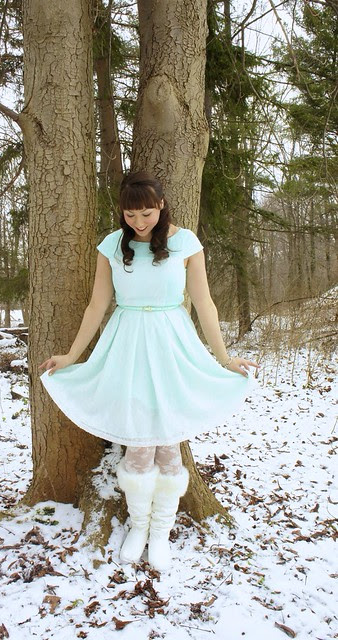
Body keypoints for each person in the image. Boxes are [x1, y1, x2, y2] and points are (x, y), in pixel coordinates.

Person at [38, 171, 259, 572]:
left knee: (169, 443)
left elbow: (204, 303)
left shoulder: (185, 243)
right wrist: (71, 355)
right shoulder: (111, 246)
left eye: (146, 213)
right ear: (121, 212)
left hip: (171, 344)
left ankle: (161, 532)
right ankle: (139, 526)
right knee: (139, 443)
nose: (139, 222)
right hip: (127, 347)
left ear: (161, 205)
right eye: (130, 214)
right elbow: (96, 306)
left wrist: (225, 358)